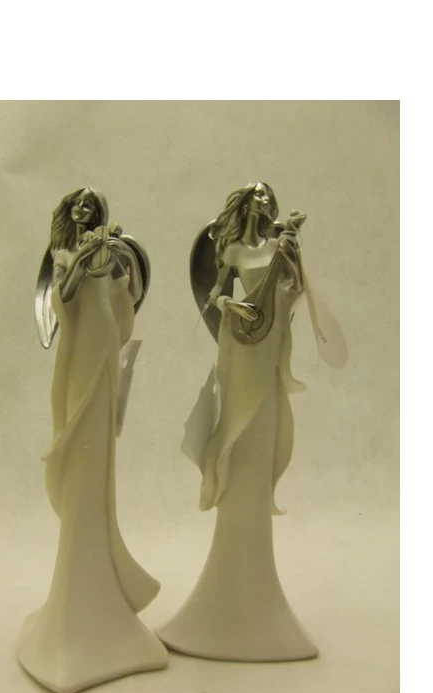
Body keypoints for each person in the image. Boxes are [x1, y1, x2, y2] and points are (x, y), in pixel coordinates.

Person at [158, 182, 321, 662]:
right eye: (258, 198)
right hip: (238, 346)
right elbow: (214, 293)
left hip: (267, 350)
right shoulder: (229, 249)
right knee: (235, 432)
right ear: (245, 205)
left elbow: (295, 295)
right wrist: (230, 305)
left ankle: (253, 583)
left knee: (261, 432)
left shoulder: (279, 247)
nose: (264, 203)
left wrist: (292, 263)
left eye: (268, 198)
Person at [17, 188, 167, 693]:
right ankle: (77, 603)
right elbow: (62, 301)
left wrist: (123, 264)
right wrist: (82, 261)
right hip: (79, 364)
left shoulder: (111, 254)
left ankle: (104, 593)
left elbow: (127, 308)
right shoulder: (65, 256)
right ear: (69, 213)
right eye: (76, 205)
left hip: (104, 364)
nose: (83, 210)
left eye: (90, 206)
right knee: (79, 456)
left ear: (100, 213)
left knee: (99, 463)